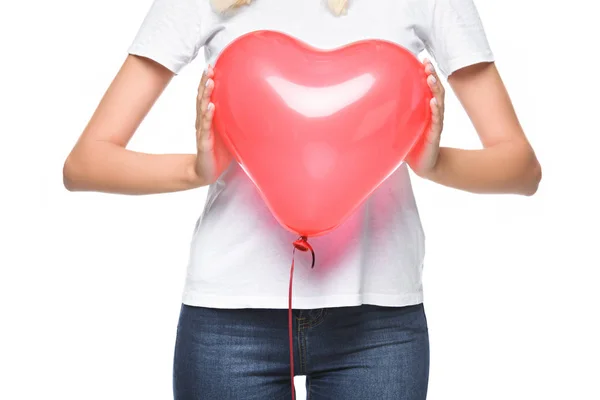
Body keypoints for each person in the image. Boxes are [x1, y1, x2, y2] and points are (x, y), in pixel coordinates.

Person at [63, 0, 542, 399]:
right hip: (230, 324)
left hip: (378, 327)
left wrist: (429, 160)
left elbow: (521, 168)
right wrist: (196, 169)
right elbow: (86, 163)